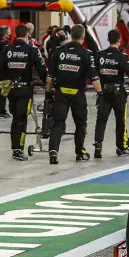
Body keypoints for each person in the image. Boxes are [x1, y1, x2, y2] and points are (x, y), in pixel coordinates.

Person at [46, 24, 101, 165]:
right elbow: (94, 77)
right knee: (81, 124)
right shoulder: (86, 54)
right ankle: (79, 153)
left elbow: (50, 77)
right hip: (77, 94)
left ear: (71, 36)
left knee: (58, 123)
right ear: (83, 38)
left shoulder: (58, 51)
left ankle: (53, 151)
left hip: (61, 93)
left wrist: (48, 93)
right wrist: (100, 93)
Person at [94, 29, 129, 159]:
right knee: (120, 121)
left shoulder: (99, 55)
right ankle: (121, 147)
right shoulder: (122, 56)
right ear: (119, 40)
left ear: (108, 40)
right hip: (118, 94)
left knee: (101, 120)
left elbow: (93, 73)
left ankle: (98, 145)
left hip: (103, 92)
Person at [0, 23, 47, 161]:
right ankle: (18, 149)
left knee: (15, 119)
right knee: (22, 119)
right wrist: (47, 84)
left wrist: (5, 81)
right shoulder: (32, 50)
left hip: (11, 89)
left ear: (15, 34)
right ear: (27, 35)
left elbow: (0, 69)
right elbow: (42, 70)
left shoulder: (7, 49)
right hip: (25, 89)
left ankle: (15, 148)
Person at [0, 25, 12, 119]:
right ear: (6, 33)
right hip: (4, 71)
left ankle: (2, 110)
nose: (10, 34)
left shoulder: (4, 43)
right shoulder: (3, 44)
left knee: (6, 91)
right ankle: (1, 111)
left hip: (4, 70)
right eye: (9, 32)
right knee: (4, 91)